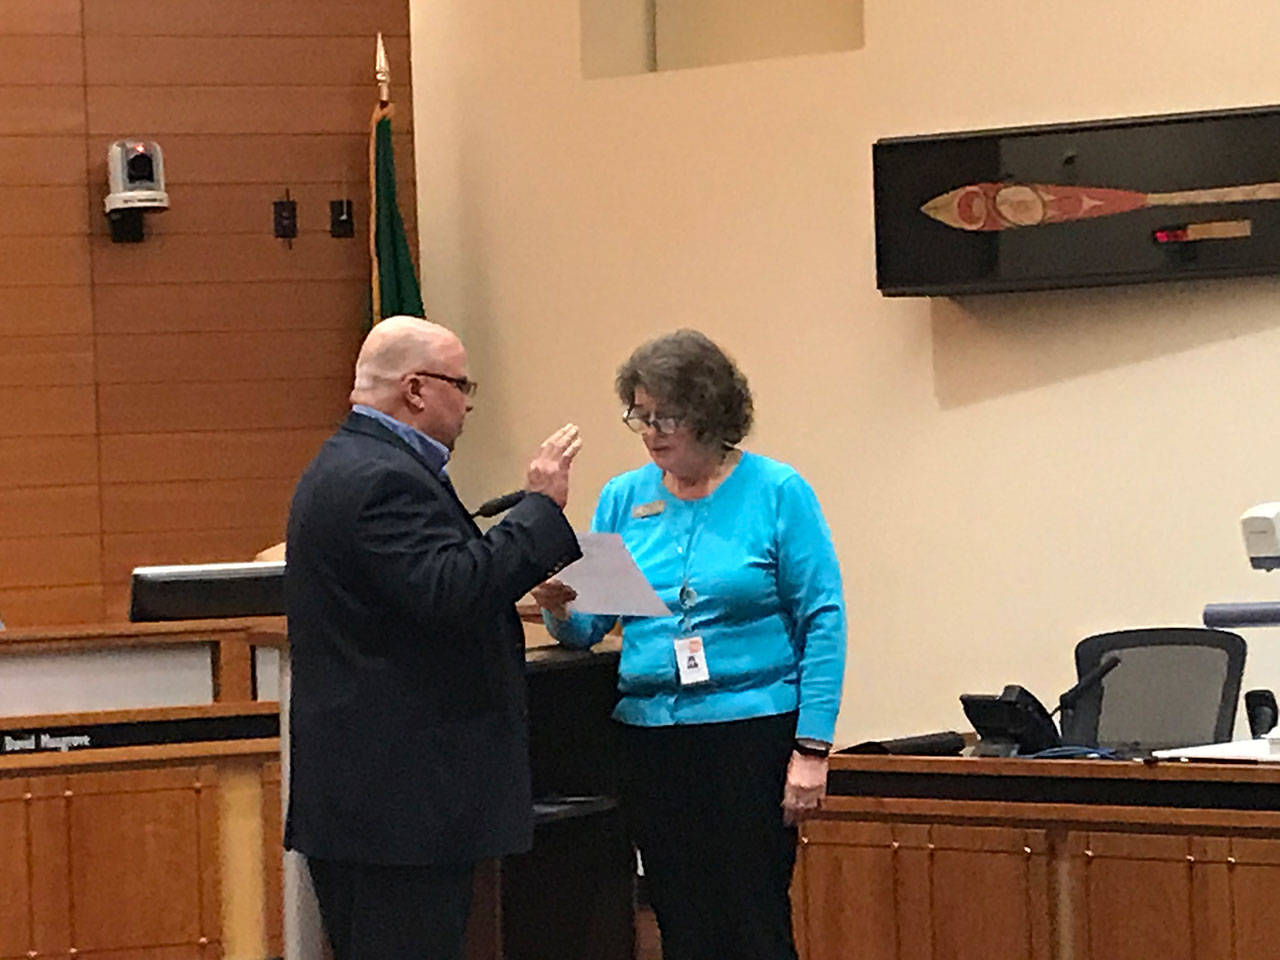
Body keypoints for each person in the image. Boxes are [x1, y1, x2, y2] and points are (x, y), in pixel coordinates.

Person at [533, 329, 846, 960]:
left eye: (667, 416)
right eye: (641, 417)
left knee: (753, 915)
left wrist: (811, 747)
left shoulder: (777, 491)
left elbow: (823, 619)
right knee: (678, 915)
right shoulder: (624, 497)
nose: (652, 432)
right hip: (651, 738)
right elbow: (591, 627)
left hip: (749, 732)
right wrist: (555, 603)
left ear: (710, 413)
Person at [284, 315, 584, 960]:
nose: (470, 400)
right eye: (461, 383)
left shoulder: (354, 461)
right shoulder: (379, 479)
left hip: (378, 801)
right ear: (416, 389)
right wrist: (538, 510)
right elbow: (452, 592)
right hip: (399, 807)